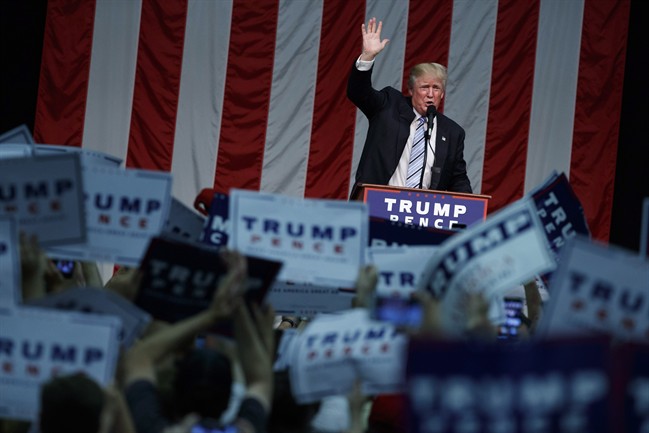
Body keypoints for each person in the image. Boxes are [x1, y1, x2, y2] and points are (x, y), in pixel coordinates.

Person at [347, 17, 472, 194]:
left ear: (442, 94)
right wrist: (367, 57)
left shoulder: (452, 132)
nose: (430, 94)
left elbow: (458, 179)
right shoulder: (389, 106)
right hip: (378, 204)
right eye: (424, 87)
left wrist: (470, 208)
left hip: (423, 215)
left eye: (436, 88)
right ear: (411, 90)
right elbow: (358, 92)